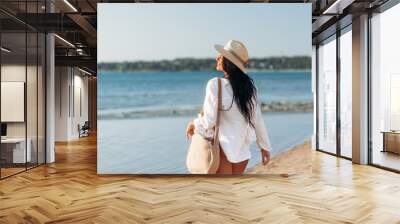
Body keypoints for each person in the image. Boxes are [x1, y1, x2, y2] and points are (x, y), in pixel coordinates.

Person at [186, 40, 272, 174]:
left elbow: (209, 121)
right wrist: (264, 147)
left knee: (222, 193)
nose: (217, 58)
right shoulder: (250, 88)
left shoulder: (215, 84)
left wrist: (194, 123)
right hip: (242, 152)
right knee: (232, 192)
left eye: (221, 55)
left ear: (228, 62)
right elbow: (257, 120)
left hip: (221, 150)